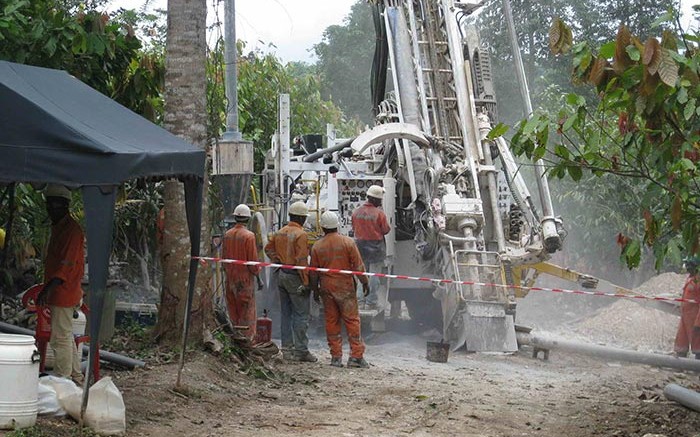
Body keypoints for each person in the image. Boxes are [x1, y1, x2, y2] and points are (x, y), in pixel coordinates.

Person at [36, 184, 84, 383]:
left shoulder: (71, 231)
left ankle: (63, 378)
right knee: (65, 334)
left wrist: (46, 290)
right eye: (49, 206)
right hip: (61, 290)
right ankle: (75, 375)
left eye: (55, 206)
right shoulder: (60, 227)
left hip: (64, 290)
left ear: (65, 206)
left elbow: (64, 268)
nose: (51, 210)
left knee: (60, 338)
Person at [310, 211, 370, 368]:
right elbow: (358, 266)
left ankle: (336, 357)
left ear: (323, 227)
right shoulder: (348, 243)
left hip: (326, 288)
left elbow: (313, 272)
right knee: (352, 321)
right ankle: (356, 357)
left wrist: (315, 291)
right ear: (337, 225)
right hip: (345, 288)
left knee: (331, 321)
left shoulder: (317, 246)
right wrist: (365, 282)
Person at [264, 201, 317, 362]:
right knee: (301, 315)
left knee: (286, 314)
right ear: (301, 218)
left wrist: (277, 260)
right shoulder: (301, 235)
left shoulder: (280, 232)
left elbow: (267, 248)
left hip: (282, 276)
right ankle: (301, 350)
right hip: (295, 276)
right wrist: (306, 282)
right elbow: (301, 260)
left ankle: (287, 349)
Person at [222, 204, 261, 340]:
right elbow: (253, 262)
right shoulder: (249, 236)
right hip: (244, 281)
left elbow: (223, 258)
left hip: (230, 279)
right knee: (247, 312)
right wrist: (259, 278)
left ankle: (235, 339)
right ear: (248, 219)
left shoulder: (227, 235)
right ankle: (247, 341)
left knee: (233, 311)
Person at [351, 185, 390, 310]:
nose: (381, 201)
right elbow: (386, 230)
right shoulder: (379, 214)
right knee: (374, 276)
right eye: (380, 199)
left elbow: (353, 228)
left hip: (360, 246)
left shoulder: (356, 211)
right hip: (375, 248)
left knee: (361, 274)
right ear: (375, 199)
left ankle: (360, 301)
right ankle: (371, 302)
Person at [674, 255, 700, 358]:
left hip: (695, 318)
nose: (688, 267)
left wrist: (698, 321)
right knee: (681, 338)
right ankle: (680, 362)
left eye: (690, 265)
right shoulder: (690, 278)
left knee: (697, 341)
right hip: (685, 317)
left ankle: (697, 367)